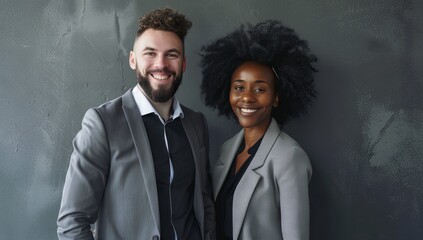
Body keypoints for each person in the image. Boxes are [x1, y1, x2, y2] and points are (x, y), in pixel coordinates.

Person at [57, 8, 215, 240]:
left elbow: (204, 203)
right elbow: (72, 222)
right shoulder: (102, 123)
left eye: (171, 55)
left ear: (183, 64)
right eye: (150, 53)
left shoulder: (196, 123)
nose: (160, 64)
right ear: (133, 59)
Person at [199, 20, 317, 240]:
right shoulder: (227, 150)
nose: (247, 97)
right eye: (239, 88)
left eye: (260, 89)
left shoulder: (290, 157)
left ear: (276, 97)